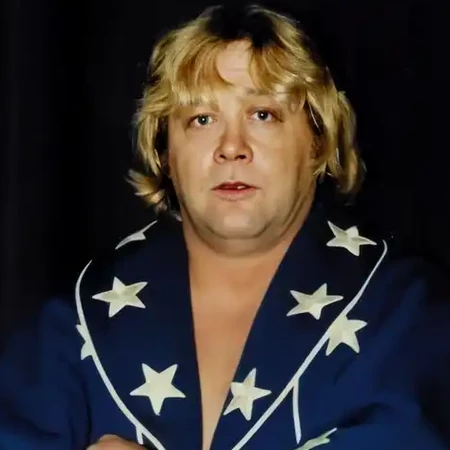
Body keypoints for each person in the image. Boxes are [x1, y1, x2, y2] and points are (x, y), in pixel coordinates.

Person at [0, 3, 449, 450]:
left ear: (317, 141)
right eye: (201, 119)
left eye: (263, 114)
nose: (231, 147)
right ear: (165, 152)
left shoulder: (404, 312)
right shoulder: (73, 324)